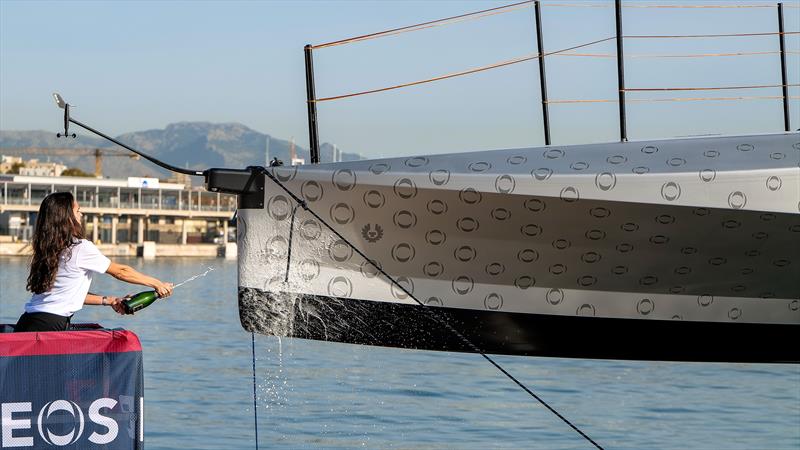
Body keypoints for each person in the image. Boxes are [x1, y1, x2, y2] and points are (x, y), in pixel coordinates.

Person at [14, 192, 174, 332]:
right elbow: (120, 271)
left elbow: (67, 294)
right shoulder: (80, 247)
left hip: (28, 322)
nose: (81, 215)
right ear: (67, 218)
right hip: (50, 325)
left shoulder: (48, 249)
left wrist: (109, 300)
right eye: (78, 211)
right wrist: (157, 284)